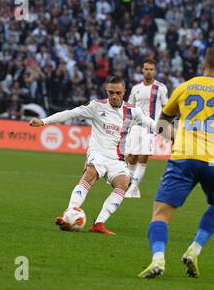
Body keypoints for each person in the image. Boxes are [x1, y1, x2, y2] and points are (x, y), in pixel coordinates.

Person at [138, 47, 214, 278]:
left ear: (204, 65)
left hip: (184, 157)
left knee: (160, 215)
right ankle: (194, 250)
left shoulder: (186, 87)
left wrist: (178, 137)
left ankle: (158, 259)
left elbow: (161, 123)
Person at [29, 76, 156, 235]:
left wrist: (174, 134)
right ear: (107, 91)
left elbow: (153, 124)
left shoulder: (132, 111)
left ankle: (99, 224)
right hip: (98, 153)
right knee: (90, 174)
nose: (114, 96)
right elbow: (71, 113)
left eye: (117, 93)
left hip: (116, 158)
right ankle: (69, 214)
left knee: (124, 183)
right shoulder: (97, 106)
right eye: (111, 92)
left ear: (124, 91)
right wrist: (44, 121)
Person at [125, 59, 169, 198]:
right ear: (142, 70)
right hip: (136, 126)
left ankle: (131, 188)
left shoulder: (160, 88)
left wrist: (162, 127)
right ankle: (134, 189)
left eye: (151, 69)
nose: (148, 71)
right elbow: (129, 107)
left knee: (143, 157)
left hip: (150, 127)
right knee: (132, 158)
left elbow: (166, 108)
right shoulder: (135, 88)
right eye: (146, 69)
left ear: (154, 71)